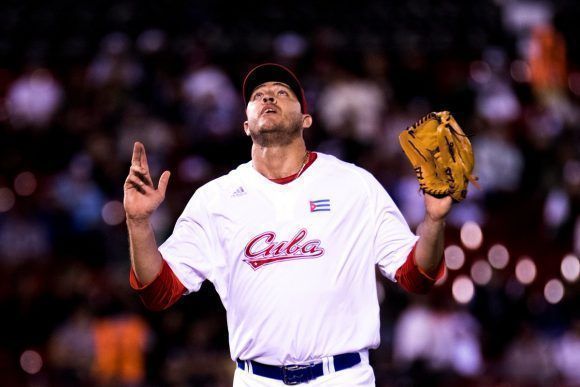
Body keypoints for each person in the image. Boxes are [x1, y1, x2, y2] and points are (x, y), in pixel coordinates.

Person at [124, 63, 450, 386]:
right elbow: (158, 291)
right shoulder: (215, 199)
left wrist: (434, 222)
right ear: (246, 125)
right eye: (259, 95)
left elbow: (415, 275)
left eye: (282, 93)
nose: (269, 98)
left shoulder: (354, 184)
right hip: (257, 379)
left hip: (342, 377)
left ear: (306, 119)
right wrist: (138, 223)